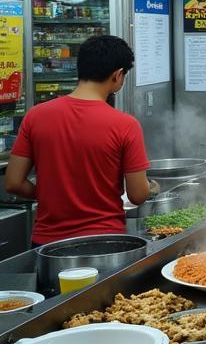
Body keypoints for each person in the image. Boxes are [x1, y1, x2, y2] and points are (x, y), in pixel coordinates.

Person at [5, 35, 154, 245]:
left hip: (48, 245)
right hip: (105, 241)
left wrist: (52, 196)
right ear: (118, 75)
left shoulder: (36, 116)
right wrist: (150, 187)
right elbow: (138, 194)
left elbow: (13, 183)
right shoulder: (125, 125)